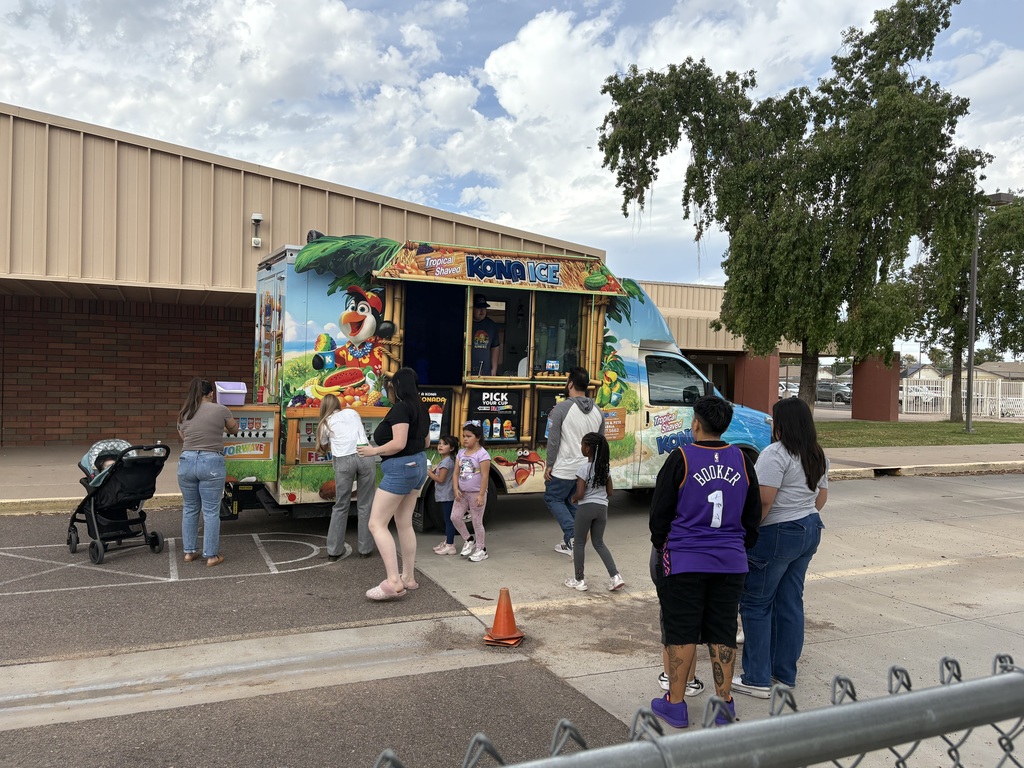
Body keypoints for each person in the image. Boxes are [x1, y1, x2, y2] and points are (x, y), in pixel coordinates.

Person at [649, 395, 761, 729]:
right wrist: (739, 546)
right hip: (730, 561)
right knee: (723, 632)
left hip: (685, 559)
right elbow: (752, 516)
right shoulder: (742, 460)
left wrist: (663, 546)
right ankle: (723, 705)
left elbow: (660, 514)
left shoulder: (681, 457)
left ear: (696, 423)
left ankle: (676, 704)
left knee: (680, 630)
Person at [733, 397, 828, 698]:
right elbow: (820, 499)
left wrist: (749, 532)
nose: (772, 425)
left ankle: (757, 678)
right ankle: (784, 673)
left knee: (756, 603)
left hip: (776, 533)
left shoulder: (775, 454)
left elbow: (764, 500)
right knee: (790, 601)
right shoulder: (816, 453)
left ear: (783, 424)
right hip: (810, 528)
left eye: (775, 420)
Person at [356, 368, 429, 600]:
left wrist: (373, 451)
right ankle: (408, 577)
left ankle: (394, 581)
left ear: (396, 387)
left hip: (400, 468)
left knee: (376, 524)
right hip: (418, 465)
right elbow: (426, 441)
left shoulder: (400, 408)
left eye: (389, 386)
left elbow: (398, 443)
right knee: (404, 522)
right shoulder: (421, 408)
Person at [177, 377, 238, 567]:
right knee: (211, 511)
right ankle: (211, 556)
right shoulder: (220, 409)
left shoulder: (184, 412)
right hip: (211, 462)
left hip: (186, 462)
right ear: (211, 393)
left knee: (189, 508)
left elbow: (183, 436)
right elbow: (234, 429)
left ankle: (189, 552)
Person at [544, 366, 604, 556]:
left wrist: (549, 464)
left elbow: (553, 441)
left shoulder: (560, 409)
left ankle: (572, 535)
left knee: (552, 498)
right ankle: (572, 540)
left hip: (564, 467)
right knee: (571, 502)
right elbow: (600, 442)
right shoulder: (598, 411)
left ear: (570, 384)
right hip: (586, 468)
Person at [318, 393, 377, 562]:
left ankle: (334, 551)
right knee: (365, 504)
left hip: (344, 460)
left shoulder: (325, 423)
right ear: (338, 404)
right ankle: (365, 549)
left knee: (341, 506)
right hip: (365, 455)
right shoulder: (352, 412)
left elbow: (323, 446)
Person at [564, 432, 624, 592]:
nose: (581, 447)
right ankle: (615, 576)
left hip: (586, 509)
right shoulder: (605, 469)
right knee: (599, 542)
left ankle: (579, 580)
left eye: (583, 445)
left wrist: (574, 499)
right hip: (602, 509)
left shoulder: (584, 469)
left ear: (589, 449)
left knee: (579, 543)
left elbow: (581, 493)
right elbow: (610, 492)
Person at [449, 422, 492, 562]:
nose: (465, 439)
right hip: (462, 493)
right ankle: (468, 539)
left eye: (469, 436)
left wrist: (481, 495)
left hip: (476, 494)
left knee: (476, 522)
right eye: (463, 436)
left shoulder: (482, 454)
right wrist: (455, 488)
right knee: (455, 517)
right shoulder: (461, 453)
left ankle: (481, 549)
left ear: (478, 437)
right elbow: (456, 473)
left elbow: (485, 476)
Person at [429, 435, 459, 555]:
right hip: (446, 494)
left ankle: (450, 545)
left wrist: (428, 473)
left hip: (447, 495)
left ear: (451, 448)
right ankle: (448, 541)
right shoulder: (448, 460)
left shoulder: (446, 462)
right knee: (448, 519)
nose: (440, 446)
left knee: (448, 520)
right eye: (440, 443)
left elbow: (440, 479)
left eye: (445, 444)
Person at [470, 294, 500, 376]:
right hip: (467, 372)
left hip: (485, 373)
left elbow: (495, 347)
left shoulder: (491, 325)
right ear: (471, 308)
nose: (482, 311)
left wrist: (494, 370)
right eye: (479, 308)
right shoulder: (466, 323)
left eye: (484, 307)